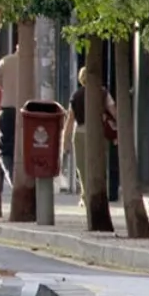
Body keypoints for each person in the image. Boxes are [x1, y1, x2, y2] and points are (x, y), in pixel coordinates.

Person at [62, 66, 117, 207]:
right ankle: (98, 195)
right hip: (99, 134)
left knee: (82, 167)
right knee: (99, 165)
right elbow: (114, 111)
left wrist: (65, 140)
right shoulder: (103, 93)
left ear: (81, 79)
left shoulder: (76, 95)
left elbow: (70, 120)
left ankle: (86, 197)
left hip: (80, 133)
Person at [0, 45, 20, 190]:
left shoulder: (5, 61)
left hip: (7, 110)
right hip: (27, 111)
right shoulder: (38, 64)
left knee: (5, 147)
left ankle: (9, 176)